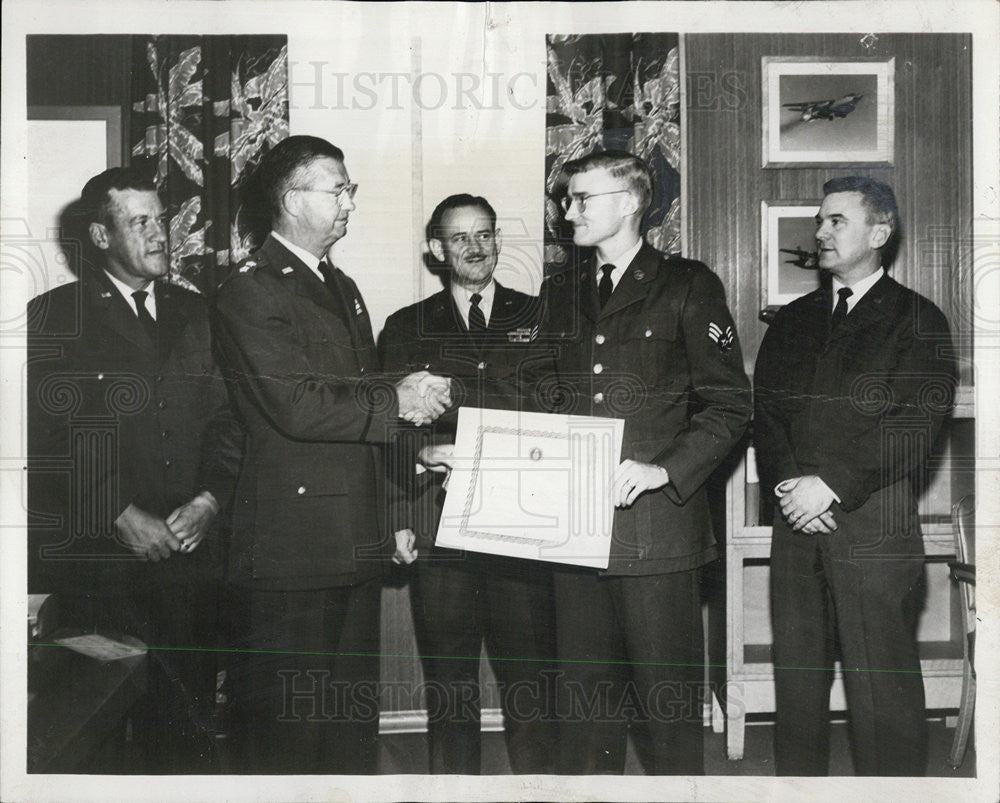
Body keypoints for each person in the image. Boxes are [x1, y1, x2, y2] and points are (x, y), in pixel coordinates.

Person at [212, 135, 450, 774]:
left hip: (352, 538)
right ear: (291, 200)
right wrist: (399, 401)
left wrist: (397, 500)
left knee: (349, 724)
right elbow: (296, 404)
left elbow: (360, 407)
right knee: (290, 734)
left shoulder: (340, 286)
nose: (350, 201)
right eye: (336, 188)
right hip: (293, 546)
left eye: (350, 189)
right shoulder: (252, 291)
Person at [541, 150, 752, 775]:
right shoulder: (561, 290)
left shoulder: (688, 284)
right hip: (573, 529)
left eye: (582, 199)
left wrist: (664, 469)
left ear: (630, 203)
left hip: (656, 531)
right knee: (581, 710)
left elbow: (729, 405)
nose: (568, 210)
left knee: (666, 711)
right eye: (565, 199)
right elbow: (545, 398)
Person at [27, 167, 242, 772]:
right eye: (139, 221)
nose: (159, 234)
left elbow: (229, 421)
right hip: (101, 563)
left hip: (191, 561)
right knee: (93, 729)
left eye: (161, 219)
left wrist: (210, 501)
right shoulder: (52, 318)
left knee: (185, 728)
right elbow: (48, 443)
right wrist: (120, 512)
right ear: (99, 237)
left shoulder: (198, 312)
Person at [753, 176, 956, 776]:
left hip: (872, 526)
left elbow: (914, 425)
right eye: (820, 220)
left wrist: (830, 484)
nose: (820, 233)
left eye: (836, 221)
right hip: (797, 522)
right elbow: (768, 411)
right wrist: (792, 485)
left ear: (880, 232)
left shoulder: (916, 318)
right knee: (797, 682)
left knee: (880, 686)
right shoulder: (794, 319)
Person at [379, 193, 557, 774]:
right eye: (460, 238)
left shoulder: (539, 316)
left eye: (485, 234)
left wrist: (458, 398)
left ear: (499, 240)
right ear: (437, 250)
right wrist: (400, 509)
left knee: (530, 681)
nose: (476, 248)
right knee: (450, 682)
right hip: (438, 522)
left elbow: (554, 404)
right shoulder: (406, 326)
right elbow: (387, 426)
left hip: (520, 521)